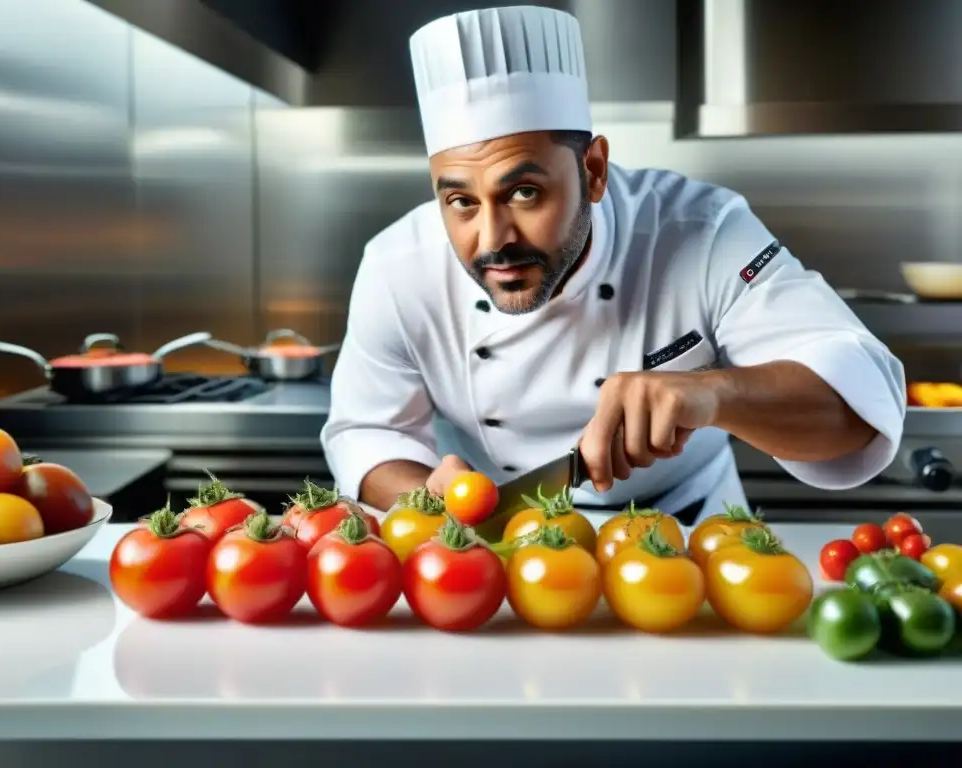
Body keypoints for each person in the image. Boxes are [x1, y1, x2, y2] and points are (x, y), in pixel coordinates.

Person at [320, 5, 906, 527]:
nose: (492, 240)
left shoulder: (702, 232)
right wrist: (428, 499)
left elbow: (859, 399)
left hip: (690, 543)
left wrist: (714, 393)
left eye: (524, 192)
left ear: (593, 170)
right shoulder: (398, 266)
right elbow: (370, 432)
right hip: (498, 547)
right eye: (461, 202)